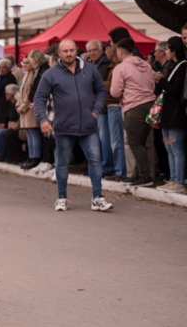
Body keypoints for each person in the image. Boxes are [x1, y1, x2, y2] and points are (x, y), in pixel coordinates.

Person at [34, 39, 113, 212]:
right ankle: (61, 198)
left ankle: (97, 198)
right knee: (62, 163)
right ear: (59, 54)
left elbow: (101, 91)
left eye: (71, 50)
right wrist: (43, 119)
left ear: (76, 50)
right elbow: (39, 98)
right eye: (65, 51)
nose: (69, 54)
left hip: (88, 125)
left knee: (95, 161)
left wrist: (96, 110)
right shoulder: (50, 74)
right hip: (63, 126)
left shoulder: (90, 69)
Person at [110, 37, 157, 187]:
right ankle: (137, 174)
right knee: (142, 142)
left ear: (120, 51)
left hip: (134, 107)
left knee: (135, 143)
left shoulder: (121, 68)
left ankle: (145, 176)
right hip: (150, 104)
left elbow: (115, 92)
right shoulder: (146, 65)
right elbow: (152, 84)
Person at [155, 36, 187, 193]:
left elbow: (175, 90)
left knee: (176, 147)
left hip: (176, 113)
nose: (165, 52)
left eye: (167, 49)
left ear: (173, 50)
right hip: (167, 113)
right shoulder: (172, 65)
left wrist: (161, 80)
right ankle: (173, 178)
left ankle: (179, 181)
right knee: (168, 146)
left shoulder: (182, 66)